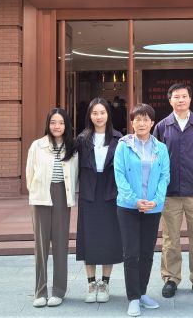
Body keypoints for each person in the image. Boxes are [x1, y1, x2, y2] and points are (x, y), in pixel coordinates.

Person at [153, 83, 193, 298]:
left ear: (190, 99)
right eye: (176, 97)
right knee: (170, 238)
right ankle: (171, 278)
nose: (180, 100)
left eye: (184, 96)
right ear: (170, 100)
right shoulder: (162, 126)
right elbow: (156, 157)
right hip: (170, 193)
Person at [114, 104, 170, 317]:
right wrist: (134, 200)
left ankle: (142, 292)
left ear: (152, 122)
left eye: (146, 119)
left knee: (147, 252)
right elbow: (119, 175)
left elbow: (165, 176)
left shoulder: (161, 148)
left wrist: (156, 201)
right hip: (128, 207)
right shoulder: (123, 146)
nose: (142, 123)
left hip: (153, 208)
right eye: (137, 119)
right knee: (131, 253)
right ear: (132, 122)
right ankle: (133, 298)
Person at [25, 108, 79, 308]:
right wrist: (37, 192)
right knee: (40, 246)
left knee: (60, 244)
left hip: (62, 196)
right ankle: (40, 292)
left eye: (61, 123)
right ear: (48, 124)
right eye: (53, 122)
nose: (57, 126)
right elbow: (29, 174)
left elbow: (75, 175)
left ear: (67, 125)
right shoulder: (37, 146)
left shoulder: (72, 148)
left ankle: (58, 291)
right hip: (41, 196)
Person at [75, 97, 124, 303]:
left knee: (109, 238)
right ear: (90, 115)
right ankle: (90, 283)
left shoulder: (118, 138)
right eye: (94, 113)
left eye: (102, 112)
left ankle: (104, 283)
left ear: (108, 114)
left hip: (111, 191)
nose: (99, 116)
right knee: (89, 237)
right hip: (89, 191)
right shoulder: (81, 139)